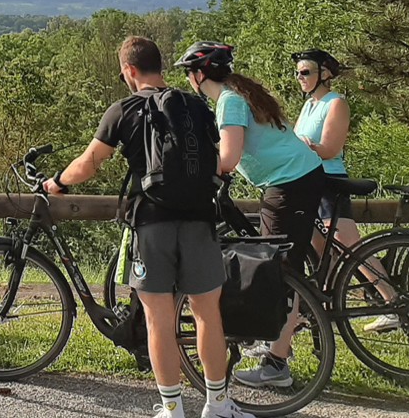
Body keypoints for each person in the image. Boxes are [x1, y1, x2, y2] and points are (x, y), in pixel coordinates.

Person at [45, 37, 253, 418]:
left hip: (152, 224)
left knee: (159, 320)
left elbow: (90, 162)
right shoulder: (195, 106)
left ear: (130, 71)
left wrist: (58, 182)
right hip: (199, 219)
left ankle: (172, 408)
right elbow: (217, 161)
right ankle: (218, 405)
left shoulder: (123, 109)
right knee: (209, 315)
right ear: (159, 67)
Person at [176, 41, 326, 389]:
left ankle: (277, 364)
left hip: (291, 183)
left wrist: (188, 168)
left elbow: (227, 158)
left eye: (188, 74)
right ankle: (275, 340)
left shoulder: (229, 101)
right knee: (283, 265)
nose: (188, 80)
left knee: (281, 270)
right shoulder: (237, 92)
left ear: (198, 75)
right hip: (291, 180)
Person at [291, 50, 397, 332]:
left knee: (352, 249)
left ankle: (393, 302)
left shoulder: (335, 103)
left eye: (305, 72)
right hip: (308, 182)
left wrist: (301, 145)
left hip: (330, 183)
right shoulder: (308, 106)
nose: (299, 78)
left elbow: (330, 149)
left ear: (324, 74)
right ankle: (322, 309)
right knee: (319, 249)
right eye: (297, 73)